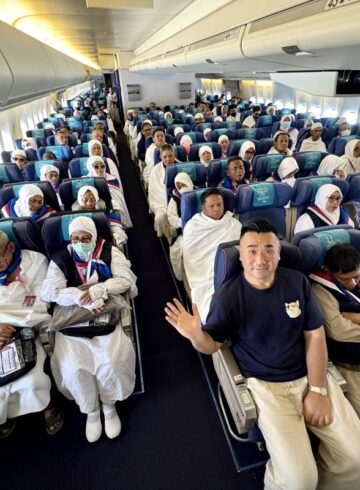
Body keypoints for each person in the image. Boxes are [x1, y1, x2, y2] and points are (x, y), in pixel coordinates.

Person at [165, 218, 360, 490]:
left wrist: (317, 390)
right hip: (268, 389)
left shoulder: (297, 282)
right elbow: (212, 345)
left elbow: (315, 335)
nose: (261, 258)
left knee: (356, 459)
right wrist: (196, 334)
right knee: (299, 480)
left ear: (279, 253)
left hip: (311, 376)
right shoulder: (228, 297)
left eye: (269, 249)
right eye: (252, 250)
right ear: (241, 257)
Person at [40, 216, 137, 443]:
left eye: (86, 238)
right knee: (74, 368)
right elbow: (48, 292)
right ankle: (92, 411)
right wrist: (77, 296)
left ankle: (109, 406)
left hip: (104, 316)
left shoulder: (109, 251)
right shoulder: (60, 258)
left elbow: (125, 280)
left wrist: (100, 289)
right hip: (73, 321)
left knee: (111, 361)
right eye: (76, 238)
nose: (81, 242)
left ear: (95, 237)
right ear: (70, 239)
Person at [0, 229, 63, 438]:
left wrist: (14, 325)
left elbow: (42, 302)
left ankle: (47, 405)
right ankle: (6, 415)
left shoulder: (34, 261)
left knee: (32, 380)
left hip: (29, 328)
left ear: (10, 247)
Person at [311, 244, 360, 417]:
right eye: (345, 279)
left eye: (356, 276)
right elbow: (338, 330)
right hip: (351, 367)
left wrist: (355, 318)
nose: (352, 283)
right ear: (328, 272)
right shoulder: (321, 290)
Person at [182, 189, 241, 322]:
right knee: (211, 302)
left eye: (219, 205)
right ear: (203, 207)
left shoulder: (234, 224)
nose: (216, 209)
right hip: (205, 274)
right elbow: (193, 258)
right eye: (212, 206)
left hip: (232, 269)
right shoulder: (193, 226)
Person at [72, 185, 127, 249]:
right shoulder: (73, 217)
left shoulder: (106, 213)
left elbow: (118, 231)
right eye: (85, 200)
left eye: (92, 200)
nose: (89, 203)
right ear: (80, 201)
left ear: (97, 200)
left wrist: (114, 243)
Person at [86, 156, 132, 228]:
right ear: (90, 167)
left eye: (102, 166)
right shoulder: (85, 181)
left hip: (111, 207)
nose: (100, 169)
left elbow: (117, 197)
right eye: (96, 167)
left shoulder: (112, 179)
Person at [167, 172, 194, 281]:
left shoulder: (198, 194)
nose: (181, 188)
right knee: (183, 247)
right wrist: (185, 223)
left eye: (183, 184)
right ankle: (183, 277)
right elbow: (172, 218)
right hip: (183, 231)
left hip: (200, 229)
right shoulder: (175, 199)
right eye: (178, 186)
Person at [148, 144, 177, 242]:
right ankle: (170, 240)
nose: (168, 159)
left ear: (174, 155)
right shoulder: (155, 170)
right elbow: (154, 191)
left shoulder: (182, 167)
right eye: (165, 157)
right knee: (160, 218)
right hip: (161, 204)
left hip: (179, 201)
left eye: (170, 156)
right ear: (160, 157)